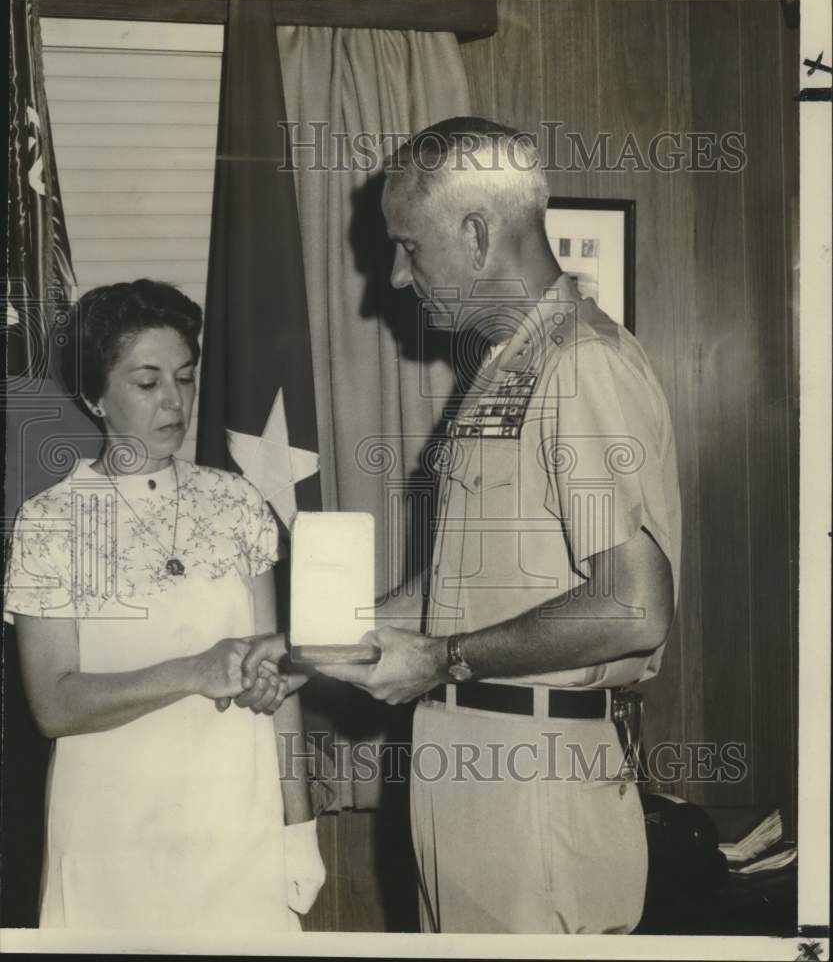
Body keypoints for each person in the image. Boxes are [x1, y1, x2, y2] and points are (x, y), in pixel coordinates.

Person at [241, 117, 681, 933]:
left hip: (535, 782)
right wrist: (328, 641)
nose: (400, 280)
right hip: (472, 769)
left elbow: (630, 606)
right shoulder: (505, 366)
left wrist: (442, 658)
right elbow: (465, 581)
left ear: (477, 234)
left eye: (409, 248)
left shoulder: (578, 365)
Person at [3, 280, 325, 932]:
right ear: (95, 395)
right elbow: (53, 704)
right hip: (112, 838)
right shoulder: (56, 521)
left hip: (238, 823)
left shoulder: (235, 504)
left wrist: (299, 822)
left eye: (184, 377)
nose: (175, 401)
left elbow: (279, 685)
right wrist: (193, 671)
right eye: (147, 383)